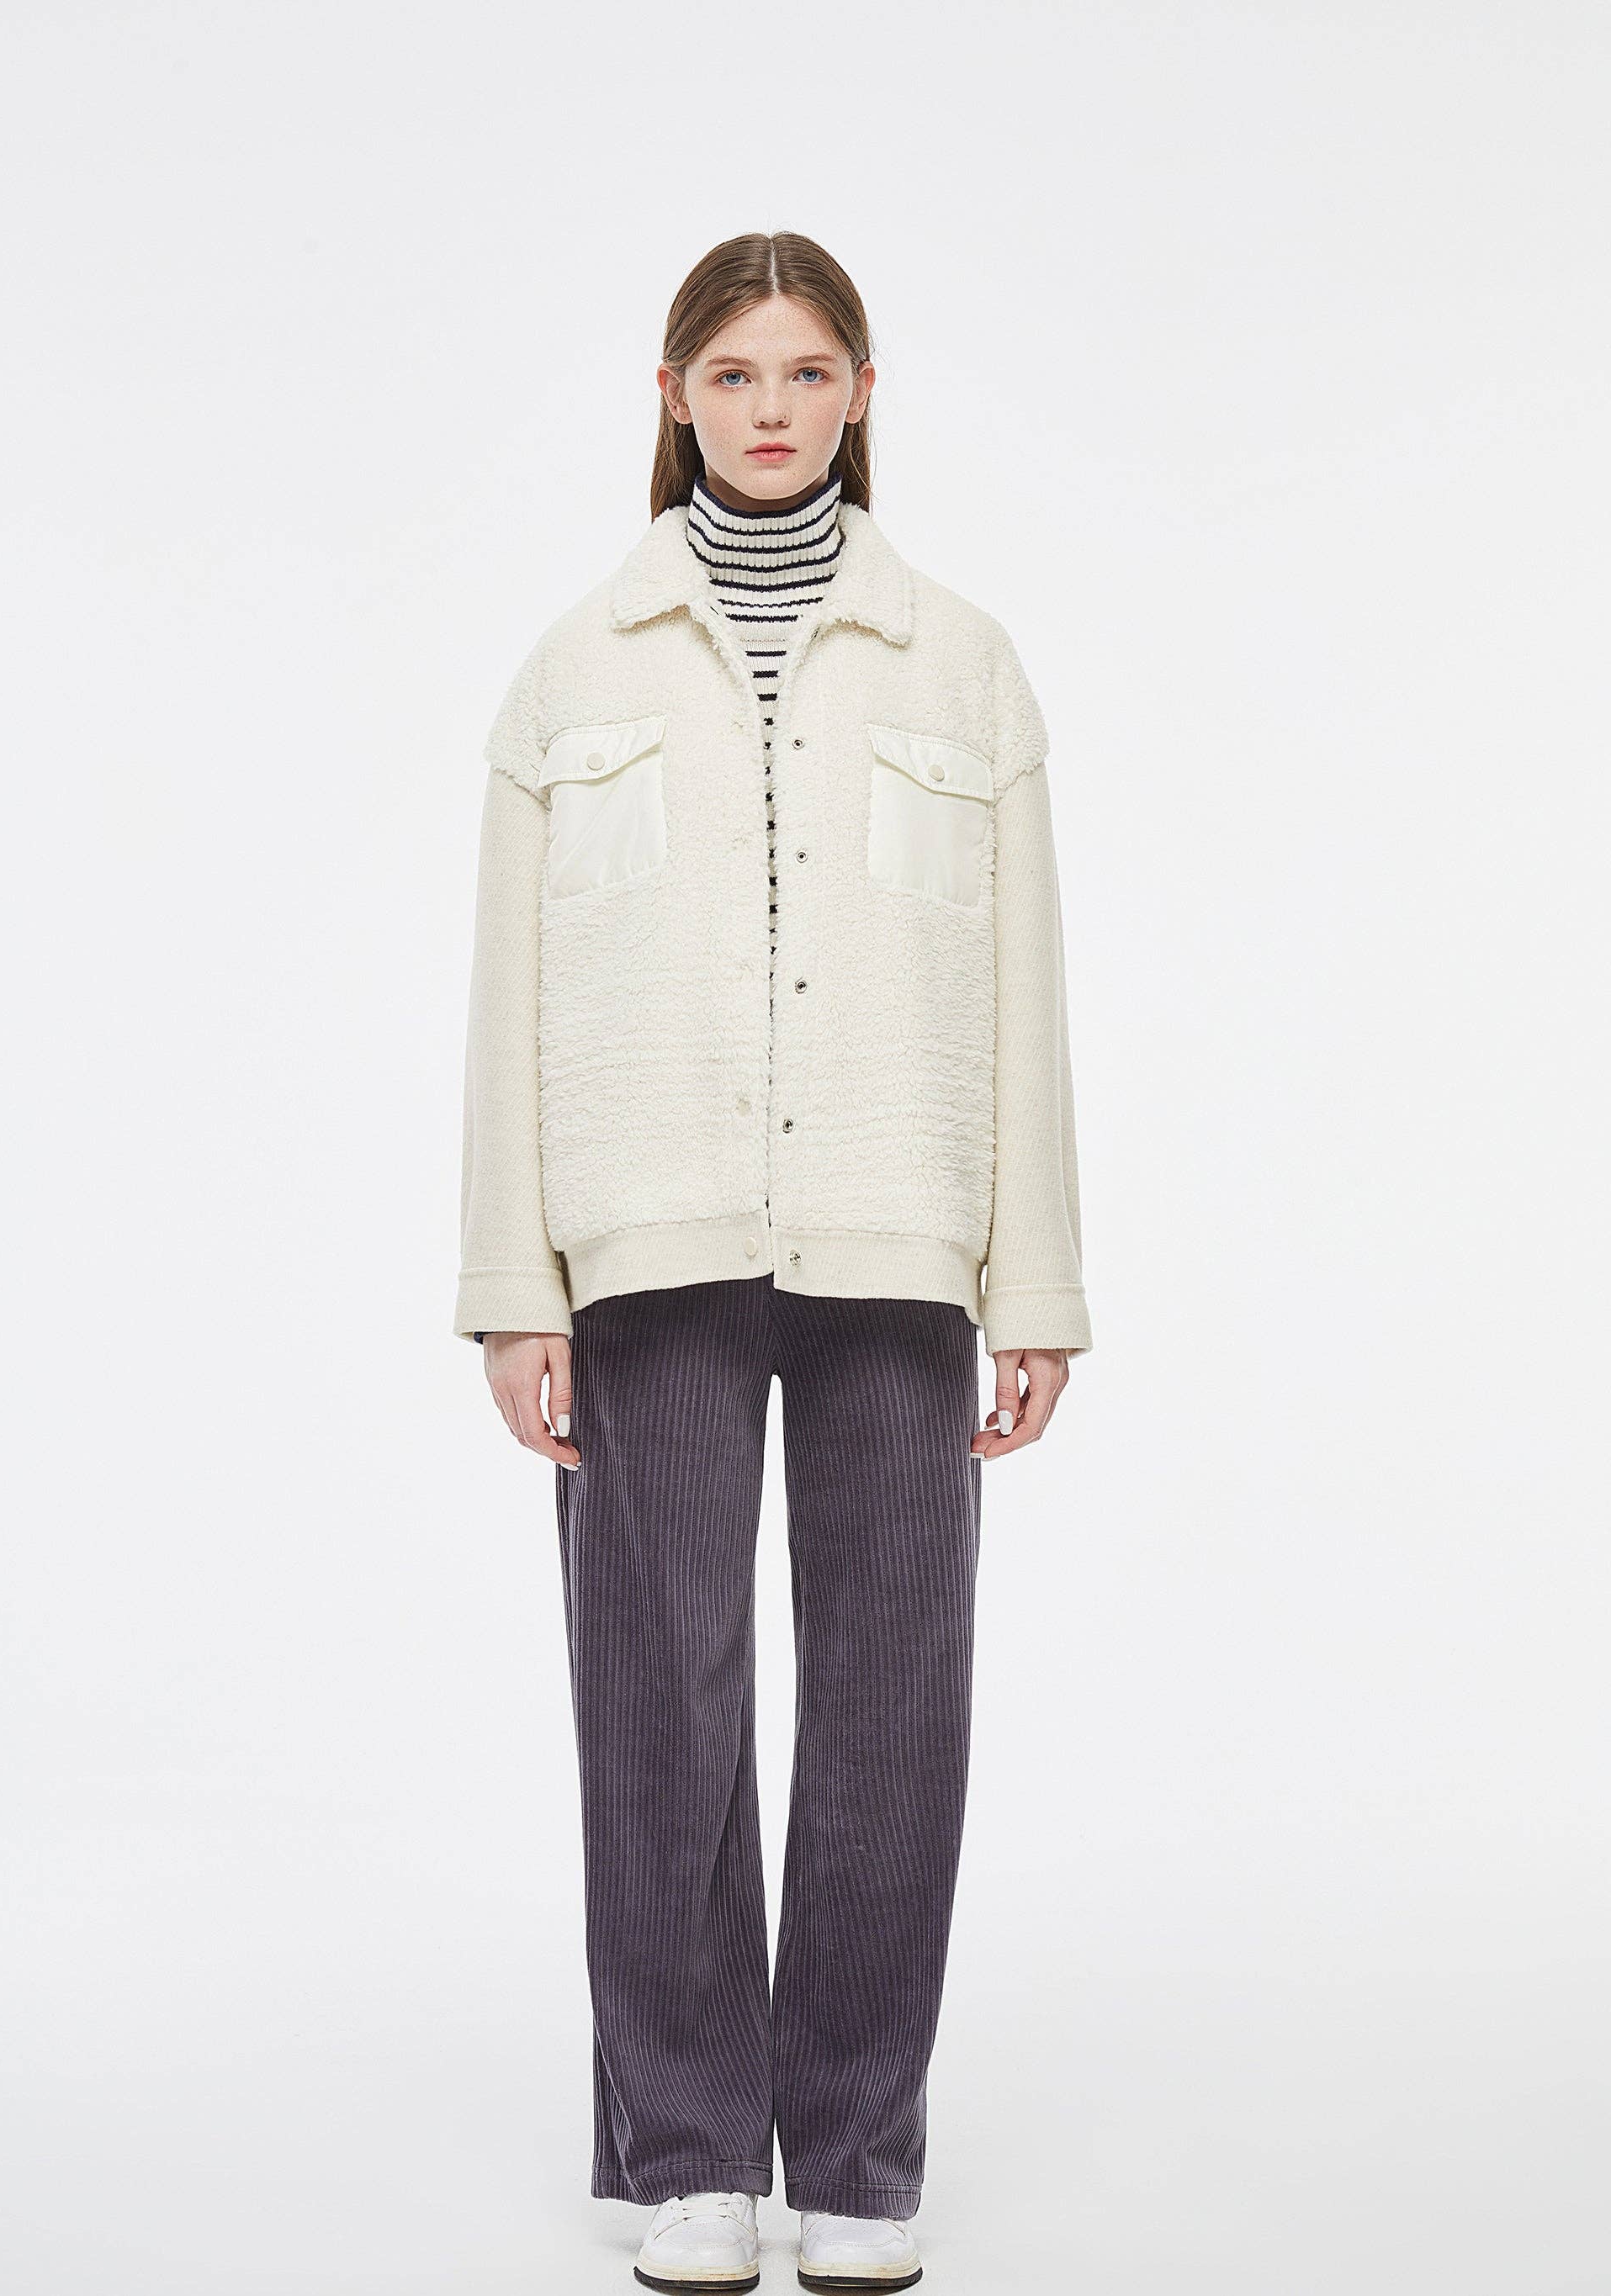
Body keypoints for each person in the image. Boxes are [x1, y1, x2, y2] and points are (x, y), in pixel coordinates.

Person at [454, 230, 1093, 2295]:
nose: (769, 409)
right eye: (731, 374)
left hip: (899, 1246)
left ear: (861, 398)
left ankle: (859, 2159)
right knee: (659, 1707)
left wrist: (1036, 1282)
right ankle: (689, 2154)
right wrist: (514, 1284)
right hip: (638, 1250)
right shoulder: (574, 668)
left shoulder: (962, 664)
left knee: (893, 1711)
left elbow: (1024, 990)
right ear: (673, 397)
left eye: (807, 372)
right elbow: (510, 997)